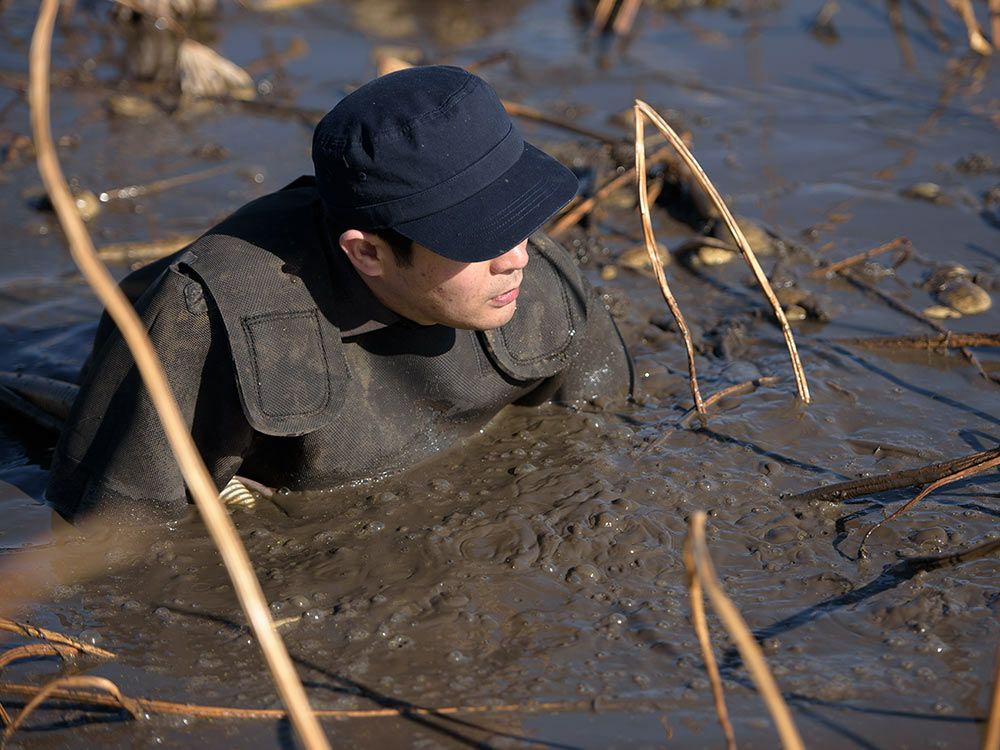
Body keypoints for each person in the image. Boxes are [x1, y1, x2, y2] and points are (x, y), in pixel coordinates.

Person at [47, 65, 633, 522]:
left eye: (516, 217)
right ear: (368, 253)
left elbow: (607, 426)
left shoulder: (529, 270)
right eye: (476, 240)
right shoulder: (204, 319)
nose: (516, 258)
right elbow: (115, 538)